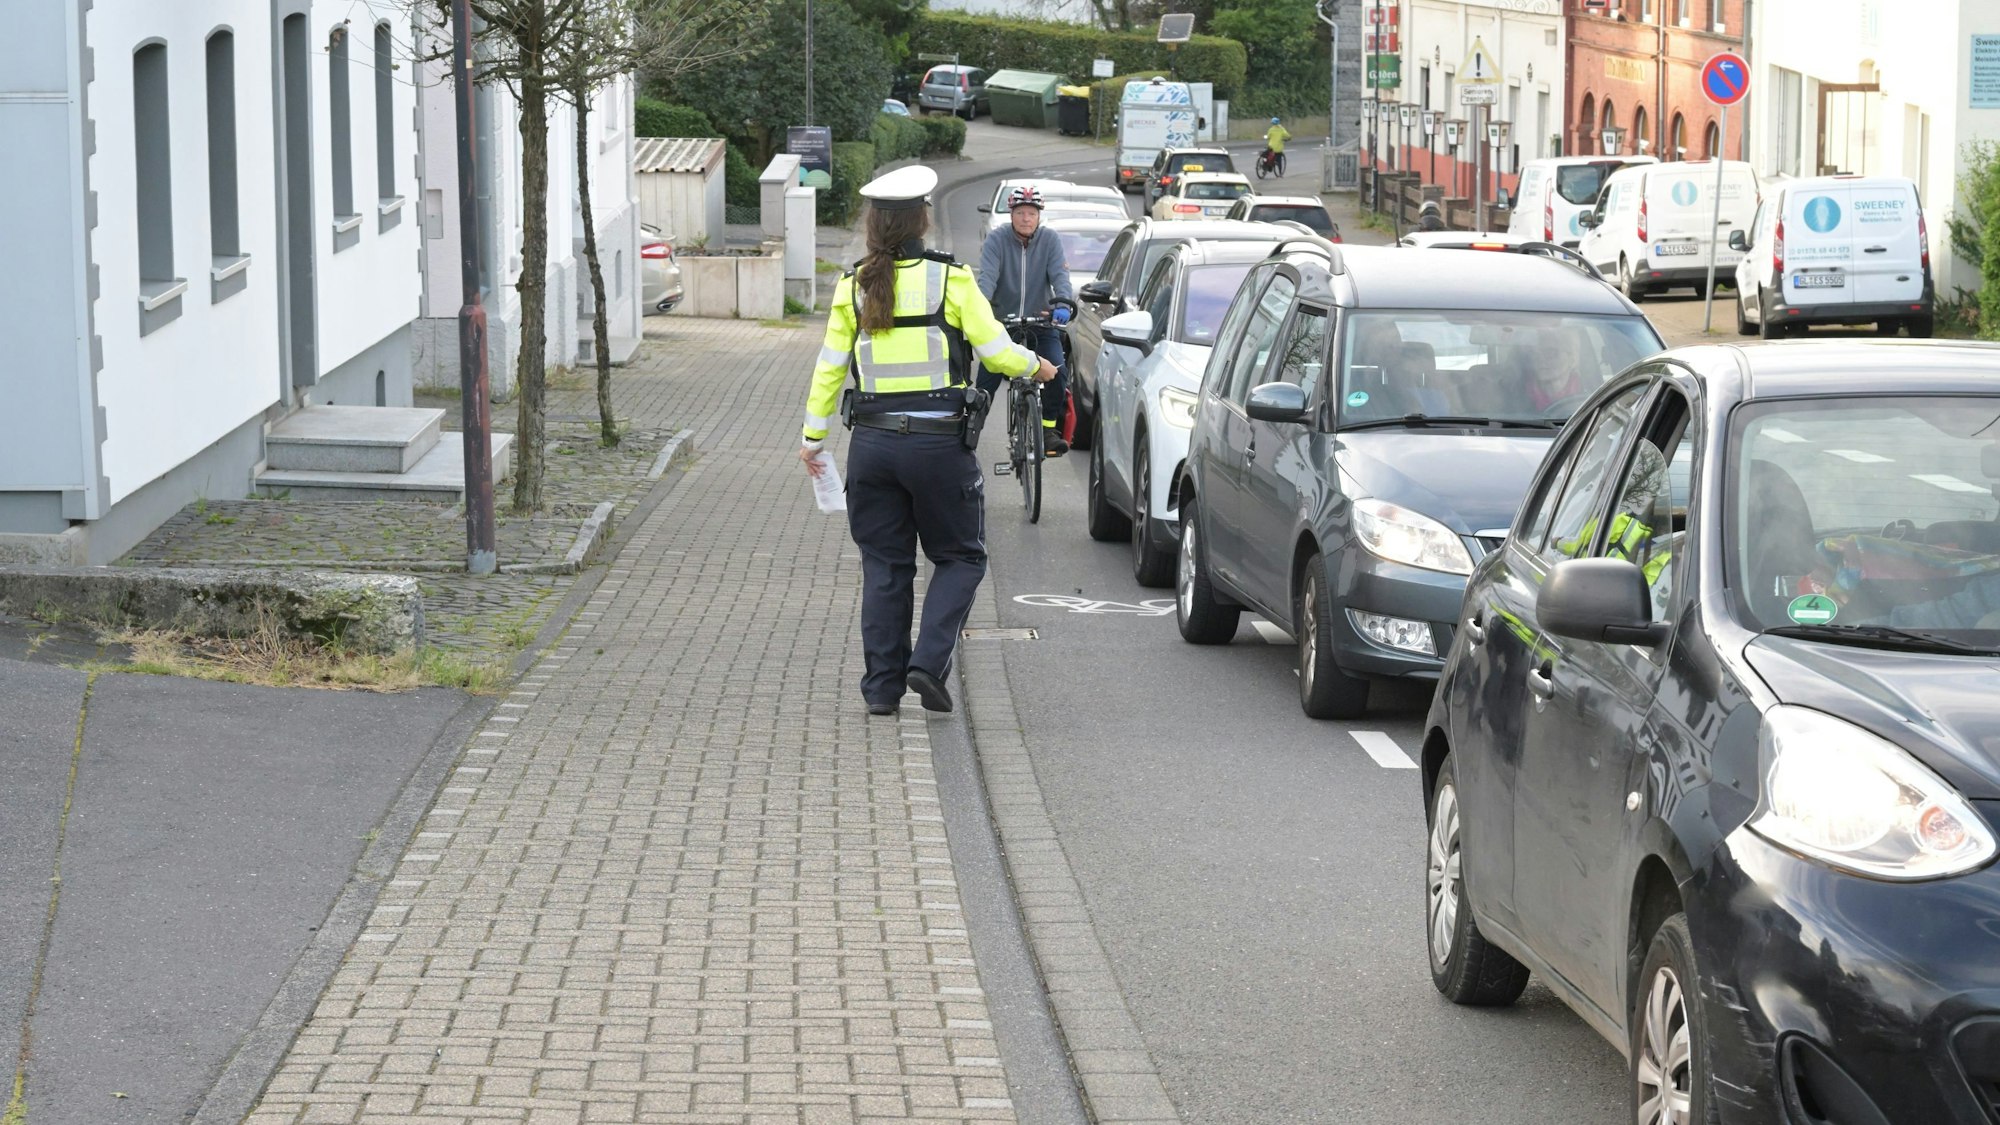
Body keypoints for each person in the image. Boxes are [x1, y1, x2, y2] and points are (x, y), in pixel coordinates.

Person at [799, 166, 1058, 716]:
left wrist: (813, 438)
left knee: (885, 568)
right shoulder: (951, 279)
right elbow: (995, 351)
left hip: (872, 447)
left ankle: (881, 691)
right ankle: (927, 662)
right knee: (961, 557)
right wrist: (1036, 364)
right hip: (939, 449)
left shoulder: (853, 286)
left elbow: (828, 370)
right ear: (922, 220)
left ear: (873, 224)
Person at [977, 186, 1076, 455]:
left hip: (1040, 322)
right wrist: (980, 307)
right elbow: (987, 279)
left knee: (1057, 371)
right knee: (986, 381)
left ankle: (1047, 430)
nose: (1025, 219)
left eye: (1031, 213)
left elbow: (1060, 277)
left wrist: (1063, 303)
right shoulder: (996, 240)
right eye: (1020, 212)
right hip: (1001, 324)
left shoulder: (1050, 240)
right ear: (1011, 215)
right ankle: (969, 435)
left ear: (1039, 216)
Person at [1526, 334, 1590, 411]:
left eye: (1551, 352)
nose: (1540, 359)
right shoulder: (1517, 393)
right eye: (1535, 353)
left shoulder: (1590, 395)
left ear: (1572, 359)